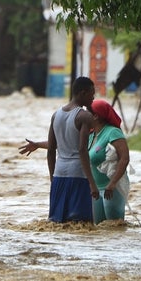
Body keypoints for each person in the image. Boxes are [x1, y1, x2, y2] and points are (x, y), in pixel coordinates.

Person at [46, 77, 100, 223]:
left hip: (59, 174)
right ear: (83, 93)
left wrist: (53, 178)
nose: (93, 98)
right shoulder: (84, 116)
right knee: (81, 224)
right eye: (91, 94)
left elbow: (51, 150)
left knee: (57, 222)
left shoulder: (55, 115)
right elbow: (82, 150)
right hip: (78, 175)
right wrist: (92, 183)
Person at [88, 99, 130, 223]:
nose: (84, 116)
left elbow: (124, 158)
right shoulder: (90, 135)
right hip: (95, 189)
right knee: (99, 229)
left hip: (112, 189)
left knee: (114, 227)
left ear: (95, 116)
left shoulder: (113, 132)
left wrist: (112, 184)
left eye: (87, 113)